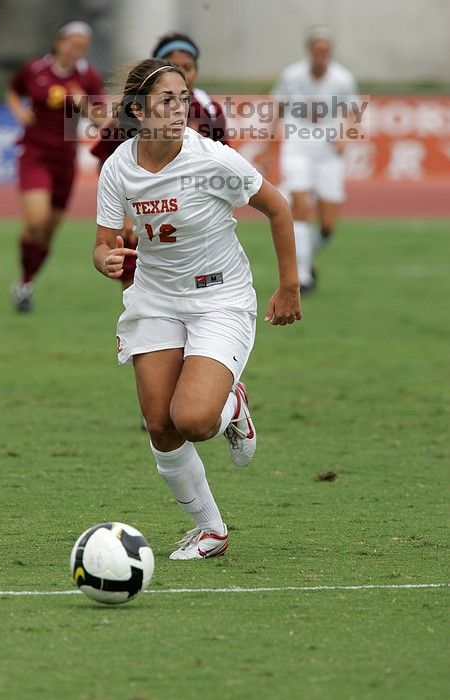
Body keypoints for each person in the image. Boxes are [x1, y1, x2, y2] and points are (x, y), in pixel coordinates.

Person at [93, 58, 302, 560]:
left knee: (193, 419)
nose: (180, 107)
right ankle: (211, 529)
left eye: (184, 97)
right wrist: (106, 259)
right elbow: (101, 244)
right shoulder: (118, 166)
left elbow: (278, 207)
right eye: (167, 99)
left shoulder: (213, 159)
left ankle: (232, 406)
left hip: (219, 298)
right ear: (139, 112)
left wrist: (289, 286)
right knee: (161, 425)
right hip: (155, 298)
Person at [91, 31, 228, 290]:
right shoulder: (134, 111)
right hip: (145, 218)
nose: (183, 74)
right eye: (175, 67)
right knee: (138, 289)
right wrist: (125, 217)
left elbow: (225, 166)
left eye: (188, 68)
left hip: (192, 223)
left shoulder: (209, 109)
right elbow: (107, 162)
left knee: (198, 288)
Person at [7, 20, 104, 311]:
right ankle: (25, 282)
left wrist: (83, 103)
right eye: (73, 44)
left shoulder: (87, 77)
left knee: (48, 232)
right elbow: (13, 91)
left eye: (83, 47)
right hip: (34, 154)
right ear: (59, 42)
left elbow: (101, 119)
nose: (77, 51)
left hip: (65, 160)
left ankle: (25, 283)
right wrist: (19, 111)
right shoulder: (35, 69)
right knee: (35, 221)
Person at [258, 26, 359, 293]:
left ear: (330, 52)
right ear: (309, 50)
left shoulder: (343, 79)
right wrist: (268, 150)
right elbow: (277, 111)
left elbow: (352, 113)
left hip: (328, 152)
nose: (320, 55)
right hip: (298, 146)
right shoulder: (292, 76)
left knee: (327, 225)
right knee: (300, 208)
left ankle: (307, 259)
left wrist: (346, 136)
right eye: (316, 50)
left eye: (325, 50)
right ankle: (301, 275)